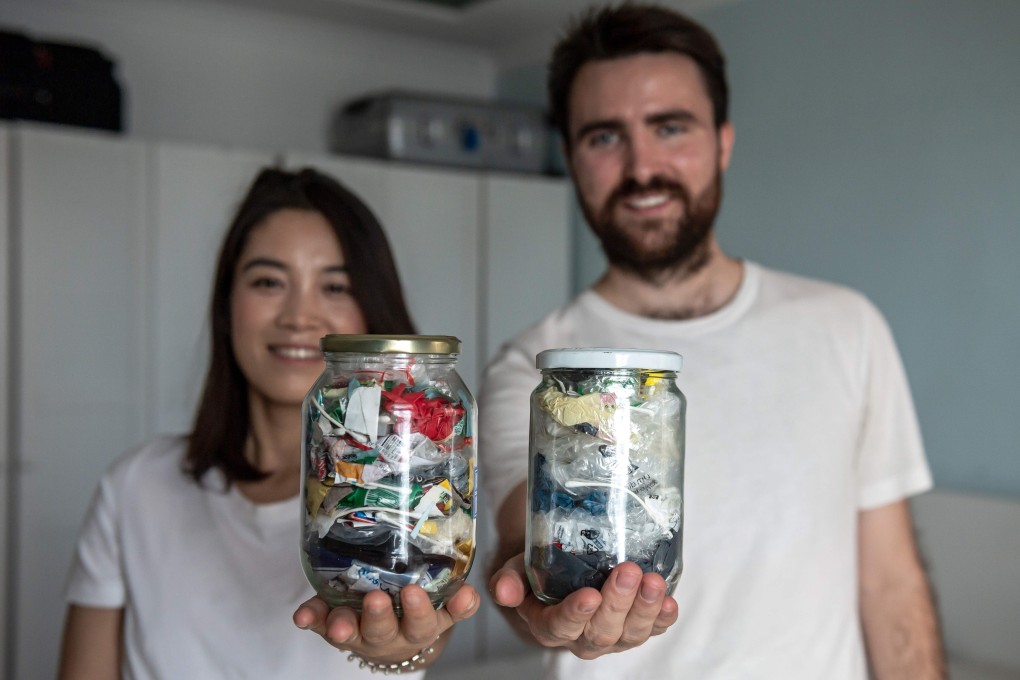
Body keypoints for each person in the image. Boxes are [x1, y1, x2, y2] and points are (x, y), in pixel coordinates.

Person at [481, 4, 945, 679]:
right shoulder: (538, 370)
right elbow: (525, 555)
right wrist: (542, 610)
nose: (643, 167)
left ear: (723, 141)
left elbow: (891, 584)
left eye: (670, 127)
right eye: (605, 137)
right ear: (571, 157)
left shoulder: (845, 326)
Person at [57, 167, 479, 679]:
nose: (300, 316)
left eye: (336, 286)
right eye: (269, 281)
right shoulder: (135, 487)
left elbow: (431, 621)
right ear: (226, 304)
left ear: (374, 314)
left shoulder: (428, 482)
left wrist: (403, 651)